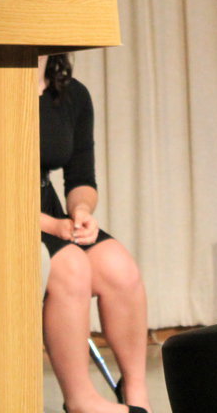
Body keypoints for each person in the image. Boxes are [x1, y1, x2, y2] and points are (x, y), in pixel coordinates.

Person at [39, 54, 150, 413]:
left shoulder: (71, 95)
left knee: (119, 267)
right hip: (1, 211)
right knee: (71, 266)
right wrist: (51, 226)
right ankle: (80, 400)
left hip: (48, 207)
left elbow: (81, 179)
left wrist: (81, 211)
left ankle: (134, 392)